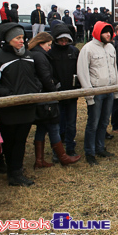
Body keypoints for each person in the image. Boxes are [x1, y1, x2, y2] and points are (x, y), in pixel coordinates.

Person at [0, 23, 42, 186]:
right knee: (9, 141)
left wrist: (36, 87)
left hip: (27, 107)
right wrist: (8, 94)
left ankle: (17, 171)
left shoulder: (29, 55)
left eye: (22, 38)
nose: (22, 41)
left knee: (21, 140)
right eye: (18, 38)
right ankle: (12, 172)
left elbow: (35, 76)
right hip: (10, 109)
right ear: (8, 39)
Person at [29, 32, 80, 168]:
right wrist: (55, 92)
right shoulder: (40, 56)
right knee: (53, 126)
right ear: (41, 43)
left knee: (41, 127)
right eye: (48, 45)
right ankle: (61, 156)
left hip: (44, 95)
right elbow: (46, 77)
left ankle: (39, 160)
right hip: (47, 96)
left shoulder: (36, 54)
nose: (50, 48)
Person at [77, 21, 118, 166]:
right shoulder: (88, 49)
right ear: (97, 32)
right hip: (96, 91)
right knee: (93, 123)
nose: (109, 34)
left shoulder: (111, 48)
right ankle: (90, 152)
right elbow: (83, 72)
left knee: (104, 121)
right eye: (105, 32)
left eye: (110, 31)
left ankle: (100, 147)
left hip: (109, 90)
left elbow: (115, 69)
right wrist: (89, 94)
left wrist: (116, 90)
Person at [48, 24, 80, 156]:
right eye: (61, 40)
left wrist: (77, 84)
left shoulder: (74, 51)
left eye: (66, 40)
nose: (64, 42)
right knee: (58, 123)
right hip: (58, 93)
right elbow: (48, 72)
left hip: (72, 93)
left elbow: (79, 69)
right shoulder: (50, 53)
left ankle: (70, 146)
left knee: (71, 122)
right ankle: (58, 149)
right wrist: (56, 85)